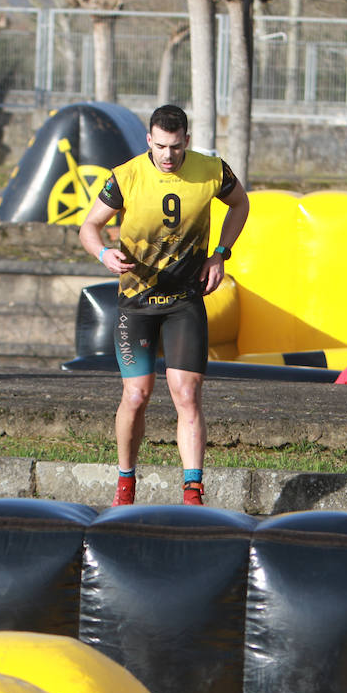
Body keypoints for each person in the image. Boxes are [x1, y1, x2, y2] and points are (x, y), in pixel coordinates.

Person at [77, 104, 250, 507]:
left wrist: (221, 252)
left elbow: (241, 205)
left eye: (174, 147)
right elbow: (89, 226)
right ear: (148, 141)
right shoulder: (126, 176)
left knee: (186, 393)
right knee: (136, 396)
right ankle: (125, 483)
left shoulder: (212, 170)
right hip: (136, 303)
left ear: (186, 140)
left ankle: (192, 491)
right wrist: (103, 255)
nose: (167, 156)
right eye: (159, 147)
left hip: (184, 301)